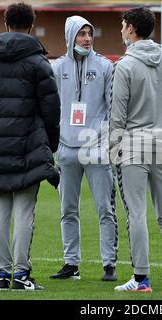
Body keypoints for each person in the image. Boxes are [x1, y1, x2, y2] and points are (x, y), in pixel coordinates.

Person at [0, 2, 61, 291]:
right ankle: (21, 276)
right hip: (29, 147)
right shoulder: (38, 62)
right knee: (24, 213)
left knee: (0, 215)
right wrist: (47, 145)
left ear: (6, 25)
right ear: (31, 26)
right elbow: (52, 111)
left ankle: (2, 276)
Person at [110, 7, 162, 292]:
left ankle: (141, 279)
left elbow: (117, 116)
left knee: (137, 213)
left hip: (133, 147)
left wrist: (113, 148)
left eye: (122, 26)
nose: (121, 31)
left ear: (131, 28)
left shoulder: (125, 65)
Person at [49, 16, 118, 281]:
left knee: (105, 209)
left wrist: (107, 140)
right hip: (65, 149)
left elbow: (113, 108)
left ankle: (109, 264)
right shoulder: (57, 67)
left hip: (96, 149)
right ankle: (71, 264)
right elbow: (51, 108)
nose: (87, 38)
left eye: (89, 33)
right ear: (70, 36)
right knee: (67, 209)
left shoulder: (105, 66)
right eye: (81, 34)